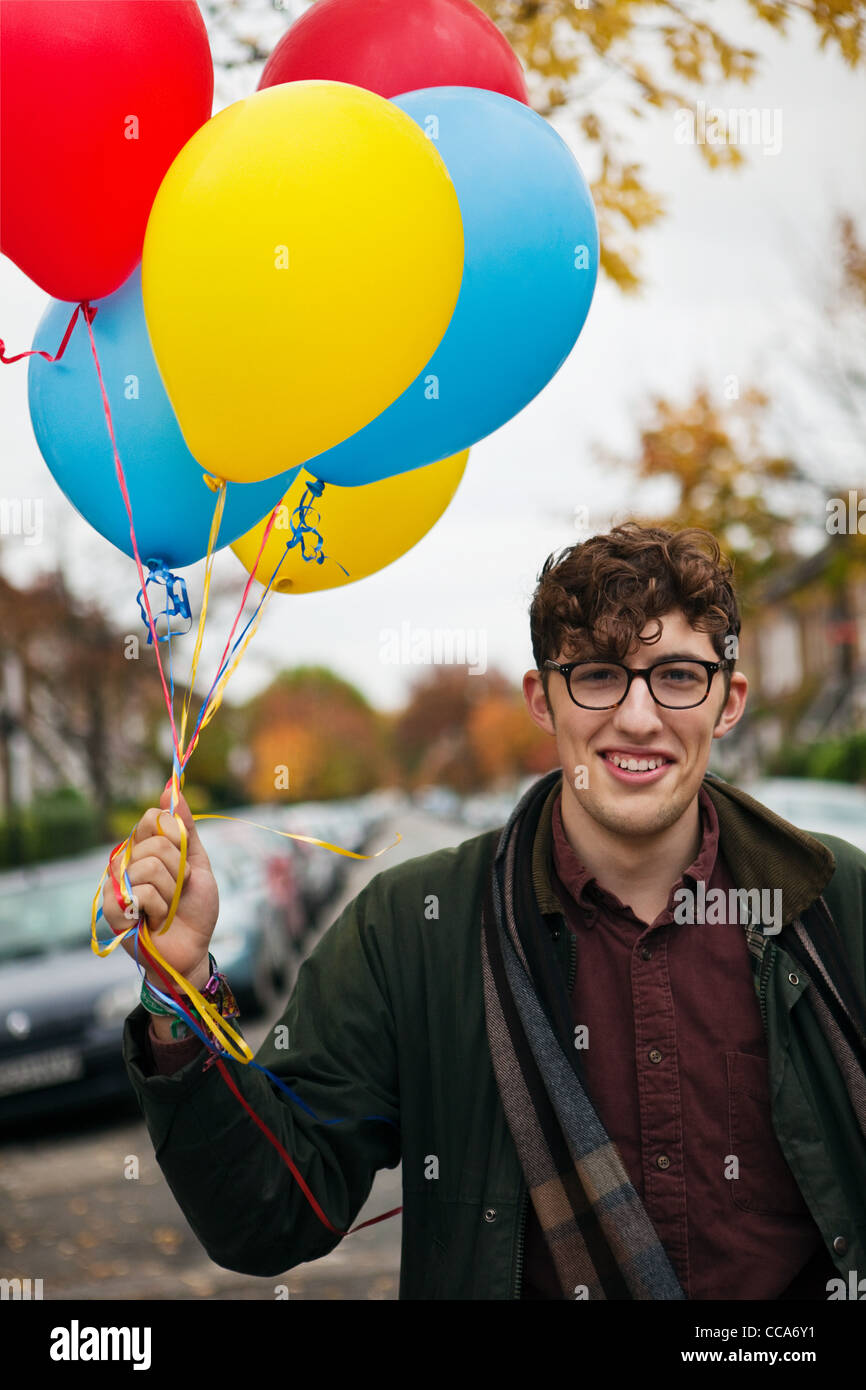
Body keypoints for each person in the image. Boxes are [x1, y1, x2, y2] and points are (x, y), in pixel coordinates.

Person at [112, 522, 866, 1300]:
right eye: (600, 676)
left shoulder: (836, 901)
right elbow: (267, 1219)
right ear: (543, 700)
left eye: (677, 676)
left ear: (728, 701)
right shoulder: (411, 929)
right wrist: (179, 990)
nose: (640, 718)